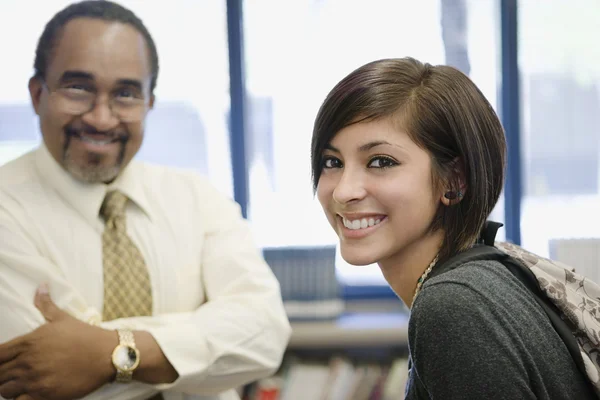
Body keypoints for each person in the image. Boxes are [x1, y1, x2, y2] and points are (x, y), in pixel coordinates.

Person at [0, 1, 291, 400]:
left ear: (149, 102)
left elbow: (265, 335)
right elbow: (34, 376)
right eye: (79, 88)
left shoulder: (198, 197)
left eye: (125, 94)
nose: (101, 118)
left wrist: (107, 353)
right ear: (38, 95)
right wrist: (200, 341)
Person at [311, 57, 596, 399]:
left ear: (454, 179)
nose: (343, 191)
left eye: (381, 162)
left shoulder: (453, 307)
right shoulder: (494, 272)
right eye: (332, 162)